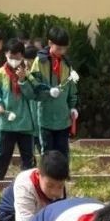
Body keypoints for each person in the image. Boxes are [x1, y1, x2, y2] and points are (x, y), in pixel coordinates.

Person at [0, 38, 41, 184]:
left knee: (28, 155)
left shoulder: (29, 74)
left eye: (17, 57)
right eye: (10, 57)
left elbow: (33, 94)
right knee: (2, 152)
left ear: (22, 56)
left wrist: (23, 81)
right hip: (6, 122)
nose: (13, 60)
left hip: (25, 122)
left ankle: (30, 181)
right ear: (5, 54)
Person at [33, 27, 79, 159]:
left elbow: (72, 89)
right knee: (48, 154)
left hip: (63, 118)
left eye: (64, 49)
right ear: (50, 43)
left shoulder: (67, 63)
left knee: (63, 153)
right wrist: (47, 92)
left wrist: (73, 107)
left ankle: (63, 172)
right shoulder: (40, 62)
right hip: (45, 118)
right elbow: (34, 86)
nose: (62, 52)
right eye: (59, 48)